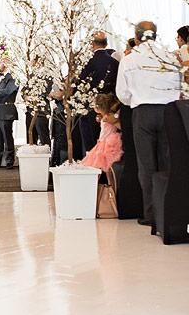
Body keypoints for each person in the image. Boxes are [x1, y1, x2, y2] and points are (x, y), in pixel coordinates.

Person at [115, 21, 181, 227]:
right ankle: (168, 211)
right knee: (167, 163)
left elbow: (122, 94)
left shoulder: (129, 60)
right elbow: (180, 86)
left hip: (143, 112)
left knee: (146, 166)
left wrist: (136, 99)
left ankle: (151, 214)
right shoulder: (170, 57)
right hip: (169, 112)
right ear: (156, 35)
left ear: (136, 37)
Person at [76, 31, 119, 154]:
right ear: (106, 44)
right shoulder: (115, 63)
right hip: (109, 107)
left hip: (90, 105)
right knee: (106, 140)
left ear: (92, 43)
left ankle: (92, 167)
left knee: (90, 141)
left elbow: (79, 82)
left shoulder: (88, 61)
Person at [80, 92, 124, 175]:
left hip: (108, 141)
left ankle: (109, 183)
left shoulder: (108, 117)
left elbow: (118, 125)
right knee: (104, 163)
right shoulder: (106, 116)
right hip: (104, 140)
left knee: (105, 163)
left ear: (97, 108)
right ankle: (108, 183)